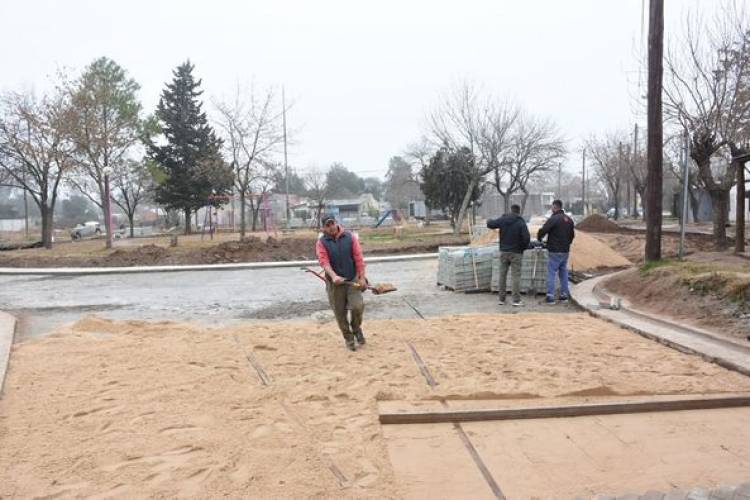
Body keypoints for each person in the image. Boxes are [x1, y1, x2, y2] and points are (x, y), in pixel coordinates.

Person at [315, 214, 368, 351]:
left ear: (336, 223)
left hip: (352, 279)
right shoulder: (322, 242)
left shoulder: (350, 237)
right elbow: (324, 262)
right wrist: (333, 276)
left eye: (332, 223)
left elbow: (358, 258)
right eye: (327, 225)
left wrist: (362, 278)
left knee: (357, 306)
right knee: (340, 313)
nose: (331, 227)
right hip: (335, 284)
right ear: (323, 228)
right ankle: (349, 339)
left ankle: (356, 329)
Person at [486, 204, 530, 306]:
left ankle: (501, 299)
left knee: (502, 275)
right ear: (519, 212)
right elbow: (526, 238)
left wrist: (488, 220)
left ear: (511, 210)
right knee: (515, 276)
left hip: (504, 252)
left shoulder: (503, 219)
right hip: (516, 253)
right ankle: (516, 300)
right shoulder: (521, 222)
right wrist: (522, 248)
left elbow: (491, 224)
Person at [537, 199, 575, 304]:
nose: (551, 209)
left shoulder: (554, 219)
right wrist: (567, 244)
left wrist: (539, 238)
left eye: (552, 207)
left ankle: (550, 296)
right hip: (565, 250)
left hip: (554, 250)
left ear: (555, 207)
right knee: (563, 272)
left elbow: (544, 230)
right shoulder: (569, 219)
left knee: (551, 272)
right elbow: (572, 236)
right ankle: (564, 295)